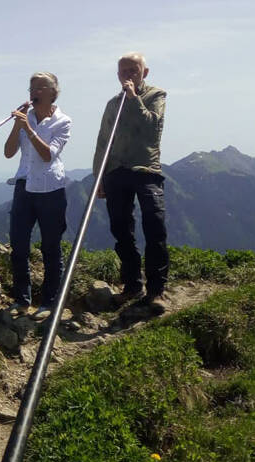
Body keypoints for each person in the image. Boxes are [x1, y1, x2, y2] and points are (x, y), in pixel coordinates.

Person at [94, 52, 169, 312]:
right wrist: (98, 177)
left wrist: (134, 98)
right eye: (123, 72)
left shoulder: (156, 96)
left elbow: (151, 127)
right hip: (115, 172)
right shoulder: (112, 104)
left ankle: (156, 290)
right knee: (121, 231)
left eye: (133, 71)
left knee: (154, 226)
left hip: (146, 169)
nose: (128, 76)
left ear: (144, 73)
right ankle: (132, 285)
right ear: (117, 75)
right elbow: (103, 141)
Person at [4, 72, 72, 320]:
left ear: (53, 92)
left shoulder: (63, 121)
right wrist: (17, 125)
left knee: (51, 248)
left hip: (51, 189)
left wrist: (29, 129)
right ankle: (22, 299)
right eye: (31, 87)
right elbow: (9, 152)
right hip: (24, 186)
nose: (34, 91)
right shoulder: (26, 118)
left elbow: (48, 155)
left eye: (39, 87)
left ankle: (50, 302)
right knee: (19, 245)